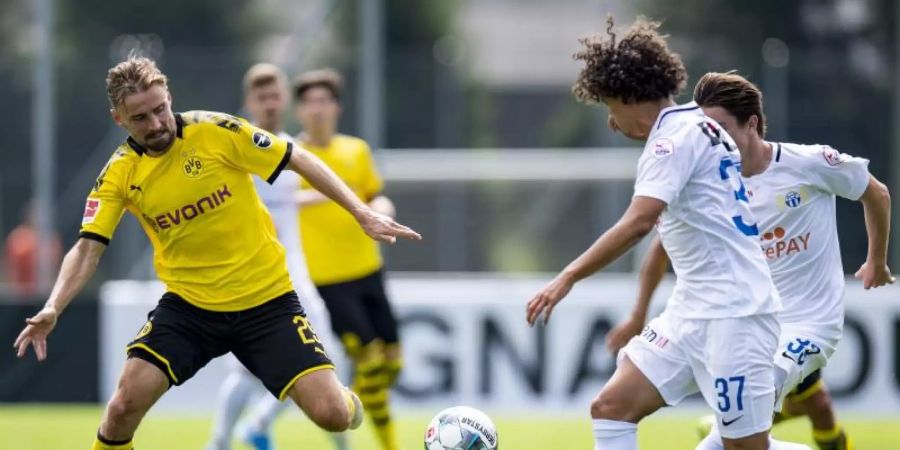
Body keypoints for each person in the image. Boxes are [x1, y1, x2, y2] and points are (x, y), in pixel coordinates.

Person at [12, 56, 420, 450]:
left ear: (169, 95)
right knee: (121, 408)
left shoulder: (216, 131)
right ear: (118, 118)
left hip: (267, 300)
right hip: (190, 308)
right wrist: (54, 306)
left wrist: (361, 212)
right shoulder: (119, 173)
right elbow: (87, 249)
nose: (156, 124)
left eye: (160, 109)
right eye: (140, 118)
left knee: (333, 415)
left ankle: (346, 400)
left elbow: (296, 157)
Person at [525, 17, 804, 450]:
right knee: (612, 406)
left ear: (631, 97)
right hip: (691, 310)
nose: (613, 124)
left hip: (735, 315)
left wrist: (567, 277)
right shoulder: (702, 125)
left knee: (745, 448)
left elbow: (638, 223)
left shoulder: (669, 142)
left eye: (611, 109)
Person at [605, 71, 894, 450]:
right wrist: (638, 314)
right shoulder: (712, 183)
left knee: (744, 427)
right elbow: (660, 249)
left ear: (752, 124)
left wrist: (877, 261)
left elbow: (876, 193)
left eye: (722, 127)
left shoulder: (807, 164)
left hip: (807, 324)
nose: (714, 138)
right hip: (746, 321)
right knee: (735, 437)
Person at [204, 63, 348, 450]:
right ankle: (222, 441)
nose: (269, 103)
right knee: (247, 371)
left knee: (328, 358)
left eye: (275, 95)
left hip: (293, 275)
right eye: (261, 97)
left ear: (285, 99)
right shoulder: (236, 149)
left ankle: (258, 425)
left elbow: (278, 199)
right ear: (249, 102)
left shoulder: (288, 149)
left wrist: (313, 198)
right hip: (252, 275)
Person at [290, 68, 402, 450]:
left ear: (336, 107)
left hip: (368, 270)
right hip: (327, 280)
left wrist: (384, 211)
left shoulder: (356, 150)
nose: (317, 109)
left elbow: (374, 196)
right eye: (309, 102)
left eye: (324, 101)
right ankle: (389, 445)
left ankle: (341, 399)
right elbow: (276, 203)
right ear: (299, 110)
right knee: (369, 359)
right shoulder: (290, 156)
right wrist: (325, 194)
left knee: (393, 362)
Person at [4, 201, 62, 297]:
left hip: (45, 293)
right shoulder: (19, 236)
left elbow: (55, 267)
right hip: (21, 294)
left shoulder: (52, 239)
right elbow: (13, 265)